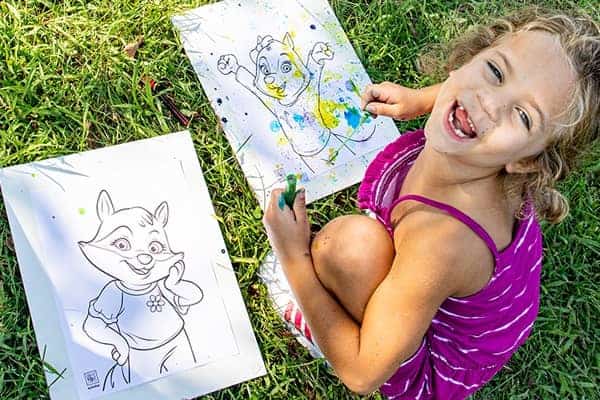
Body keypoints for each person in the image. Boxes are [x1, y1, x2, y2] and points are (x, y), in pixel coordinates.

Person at [262, 7, 599, 400]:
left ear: (527, 162)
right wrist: (420, 101)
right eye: (495, 71)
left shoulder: (441, 243)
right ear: (473, 56)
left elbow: (361, 373)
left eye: (523, 117)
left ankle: (322, 328)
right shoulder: (488, 143)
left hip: (438, 359)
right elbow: (479, 92)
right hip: (468, 298)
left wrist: (293, 256)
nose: (488, 103)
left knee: (346, 247)